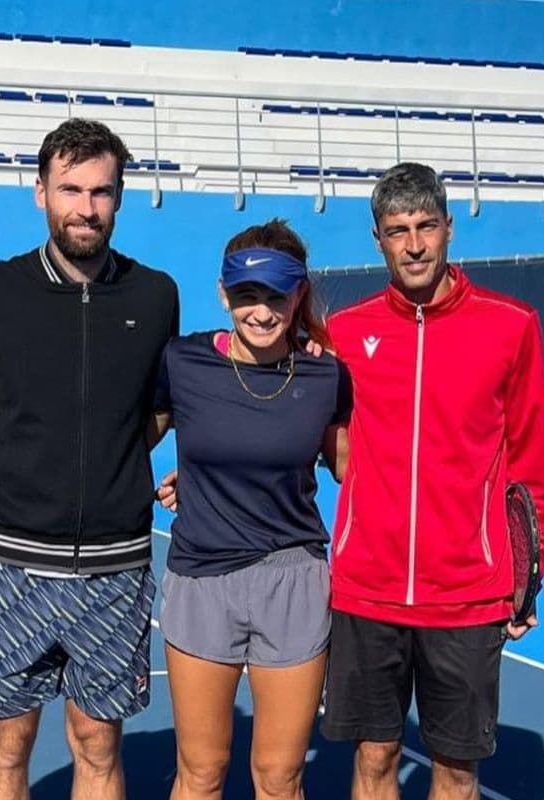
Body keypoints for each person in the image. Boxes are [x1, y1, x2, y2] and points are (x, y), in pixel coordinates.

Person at [0, 118, 179, 800]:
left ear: (120, 197)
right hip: (10, 565)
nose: (86, 206)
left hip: (116, 567)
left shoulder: (154, 294)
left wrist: (111, 460)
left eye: (102, 191)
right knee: (7, 744)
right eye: (71, 189)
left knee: (99, 745)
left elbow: (160, 407)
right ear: (41, 192)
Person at [320, 162, 544, 800]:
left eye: (427, 226)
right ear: (379, 239)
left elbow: (532, 463)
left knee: (456, 772)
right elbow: (304, 436)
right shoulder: (347, 332)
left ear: (450, 228)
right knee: (375, 758)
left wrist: (527, 579)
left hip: (467, 594)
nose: (415, 244)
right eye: (398, 230)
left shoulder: (512, 326)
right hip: (367, 590)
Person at [149, 219, 350, 800]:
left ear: (298, 295)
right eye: (245, 295)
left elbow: (352, 466)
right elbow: (134, 439)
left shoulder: (325, 374)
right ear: (222, 294)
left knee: (280, 777)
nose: (259, 311)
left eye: (274, 296)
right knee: (202, 773)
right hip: (201, 580)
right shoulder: (182, 362)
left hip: (293, 584)